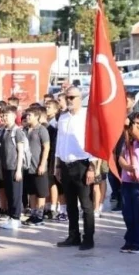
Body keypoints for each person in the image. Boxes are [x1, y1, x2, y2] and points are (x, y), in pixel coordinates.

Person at [55, 86, 97, 251]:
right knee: (70, 203)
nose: (69, 100)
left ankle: (88, 238)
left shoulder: (87, 117)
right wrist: (57, 165)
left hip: (82, 164)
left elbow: (94, 143)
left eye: (72, 97)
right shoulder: (63, 117)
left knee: (86, 205)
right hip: (66, 165)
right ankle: (74, 235)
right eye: (67, 97)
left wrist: (92, 167)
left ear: (81, 98)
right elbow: (59, 143)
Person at [118, 112, 139, 253]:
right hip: (127, 180)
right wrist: (126, 166)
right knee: (128, 213)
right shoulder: (127, 139)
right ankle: (130, 240)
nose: (136, 125)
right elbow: (120, 157)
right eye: (135, 122)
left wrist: (129, 125)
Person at [0, 105, 27, 230]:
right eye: (3, 115)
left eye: (7, 115)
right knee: (9, 193)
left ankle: (16, 218)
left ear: (14, 116)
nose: (4, 118)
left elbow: (20, 151)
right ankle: (11, 216)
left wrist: (19, 169)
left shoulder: (17, 131)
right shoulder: (4, 130)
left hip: (14, 167)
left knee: (16, 194)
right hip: (5, 167)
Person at [23, 105, 50, 226]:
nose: (27, 117)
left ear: (37, 117)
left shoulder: (41, 129)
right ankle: (33, 214)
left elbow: (46, 147)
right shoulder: (24, 129)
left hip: (38, 165)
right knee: (31, 192)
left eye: (30, 115)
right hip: (27, 166)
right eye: (27, 115)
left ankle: (40, 215)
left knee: (41, 191)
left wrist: (42, 164)